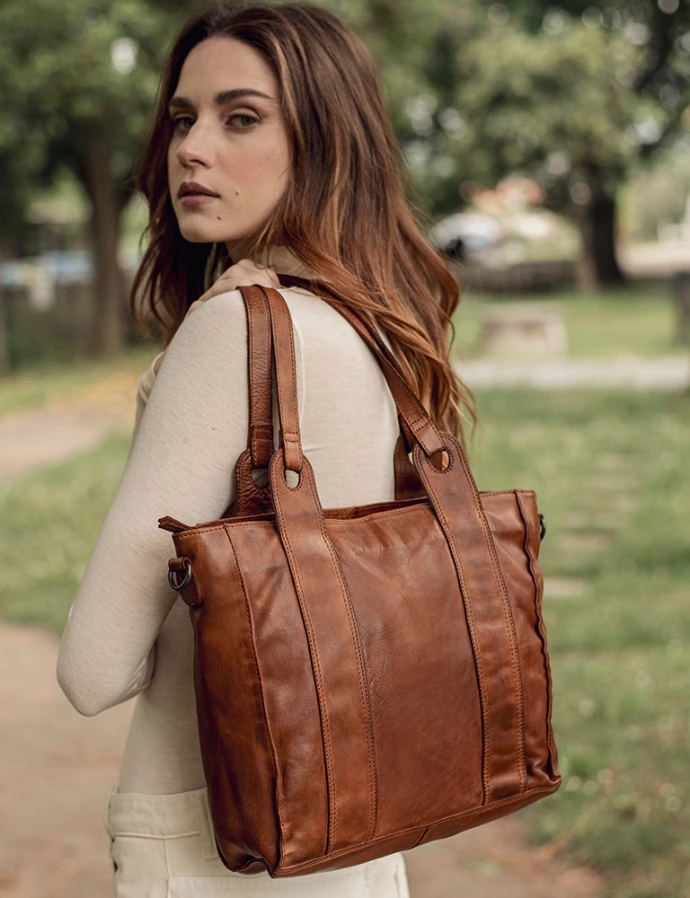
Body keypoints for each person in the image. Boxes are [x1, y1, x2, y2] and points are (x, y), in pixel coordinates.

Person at [56, 2, 475, 895]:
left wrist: (179, 376)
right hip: (358, 835)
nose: (191, 148)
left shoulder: (236, 334)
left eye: (239, 118)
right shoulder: (379, 325)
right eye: (182, 118)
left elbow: (96, 670)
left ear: (322, 142)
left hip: (218, 849)